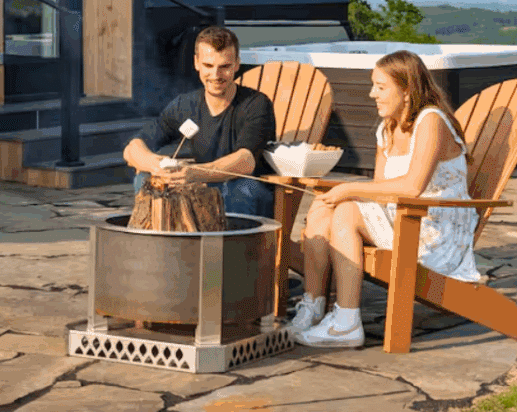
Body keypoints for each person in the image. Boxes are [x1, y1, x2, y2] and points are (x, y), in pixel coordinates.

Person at [289, 50, 480, 348]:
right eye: (373, 85)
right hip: (400, 216)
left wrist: (349, 190)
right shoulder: (387, 128)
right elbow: (381, 187)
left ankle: (346, 322)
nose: (371, 94)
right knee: (321, 207)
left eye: (380, 87)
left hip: (432, 228)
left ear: (406, 90)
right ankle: (313, 306)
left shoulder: (431, 121)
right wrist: (340, 194)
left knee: (348, 211)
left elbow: (413, 186)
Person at [122, 26, 276, 217]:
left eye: (224, 67)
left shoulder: (256, 104)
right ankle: (165, 244)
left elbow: (245, 161)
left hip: (247, 188)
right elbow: (133, 148)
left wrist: (193, 172)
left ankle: (236, 246)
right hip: (203, 185)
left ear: (237, 64)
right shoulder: (185, 105)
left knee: (243, 188)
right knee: (144, 179)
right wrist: (156, 165)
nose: (216, 75)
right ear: (196, 63)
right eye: (208, 66)